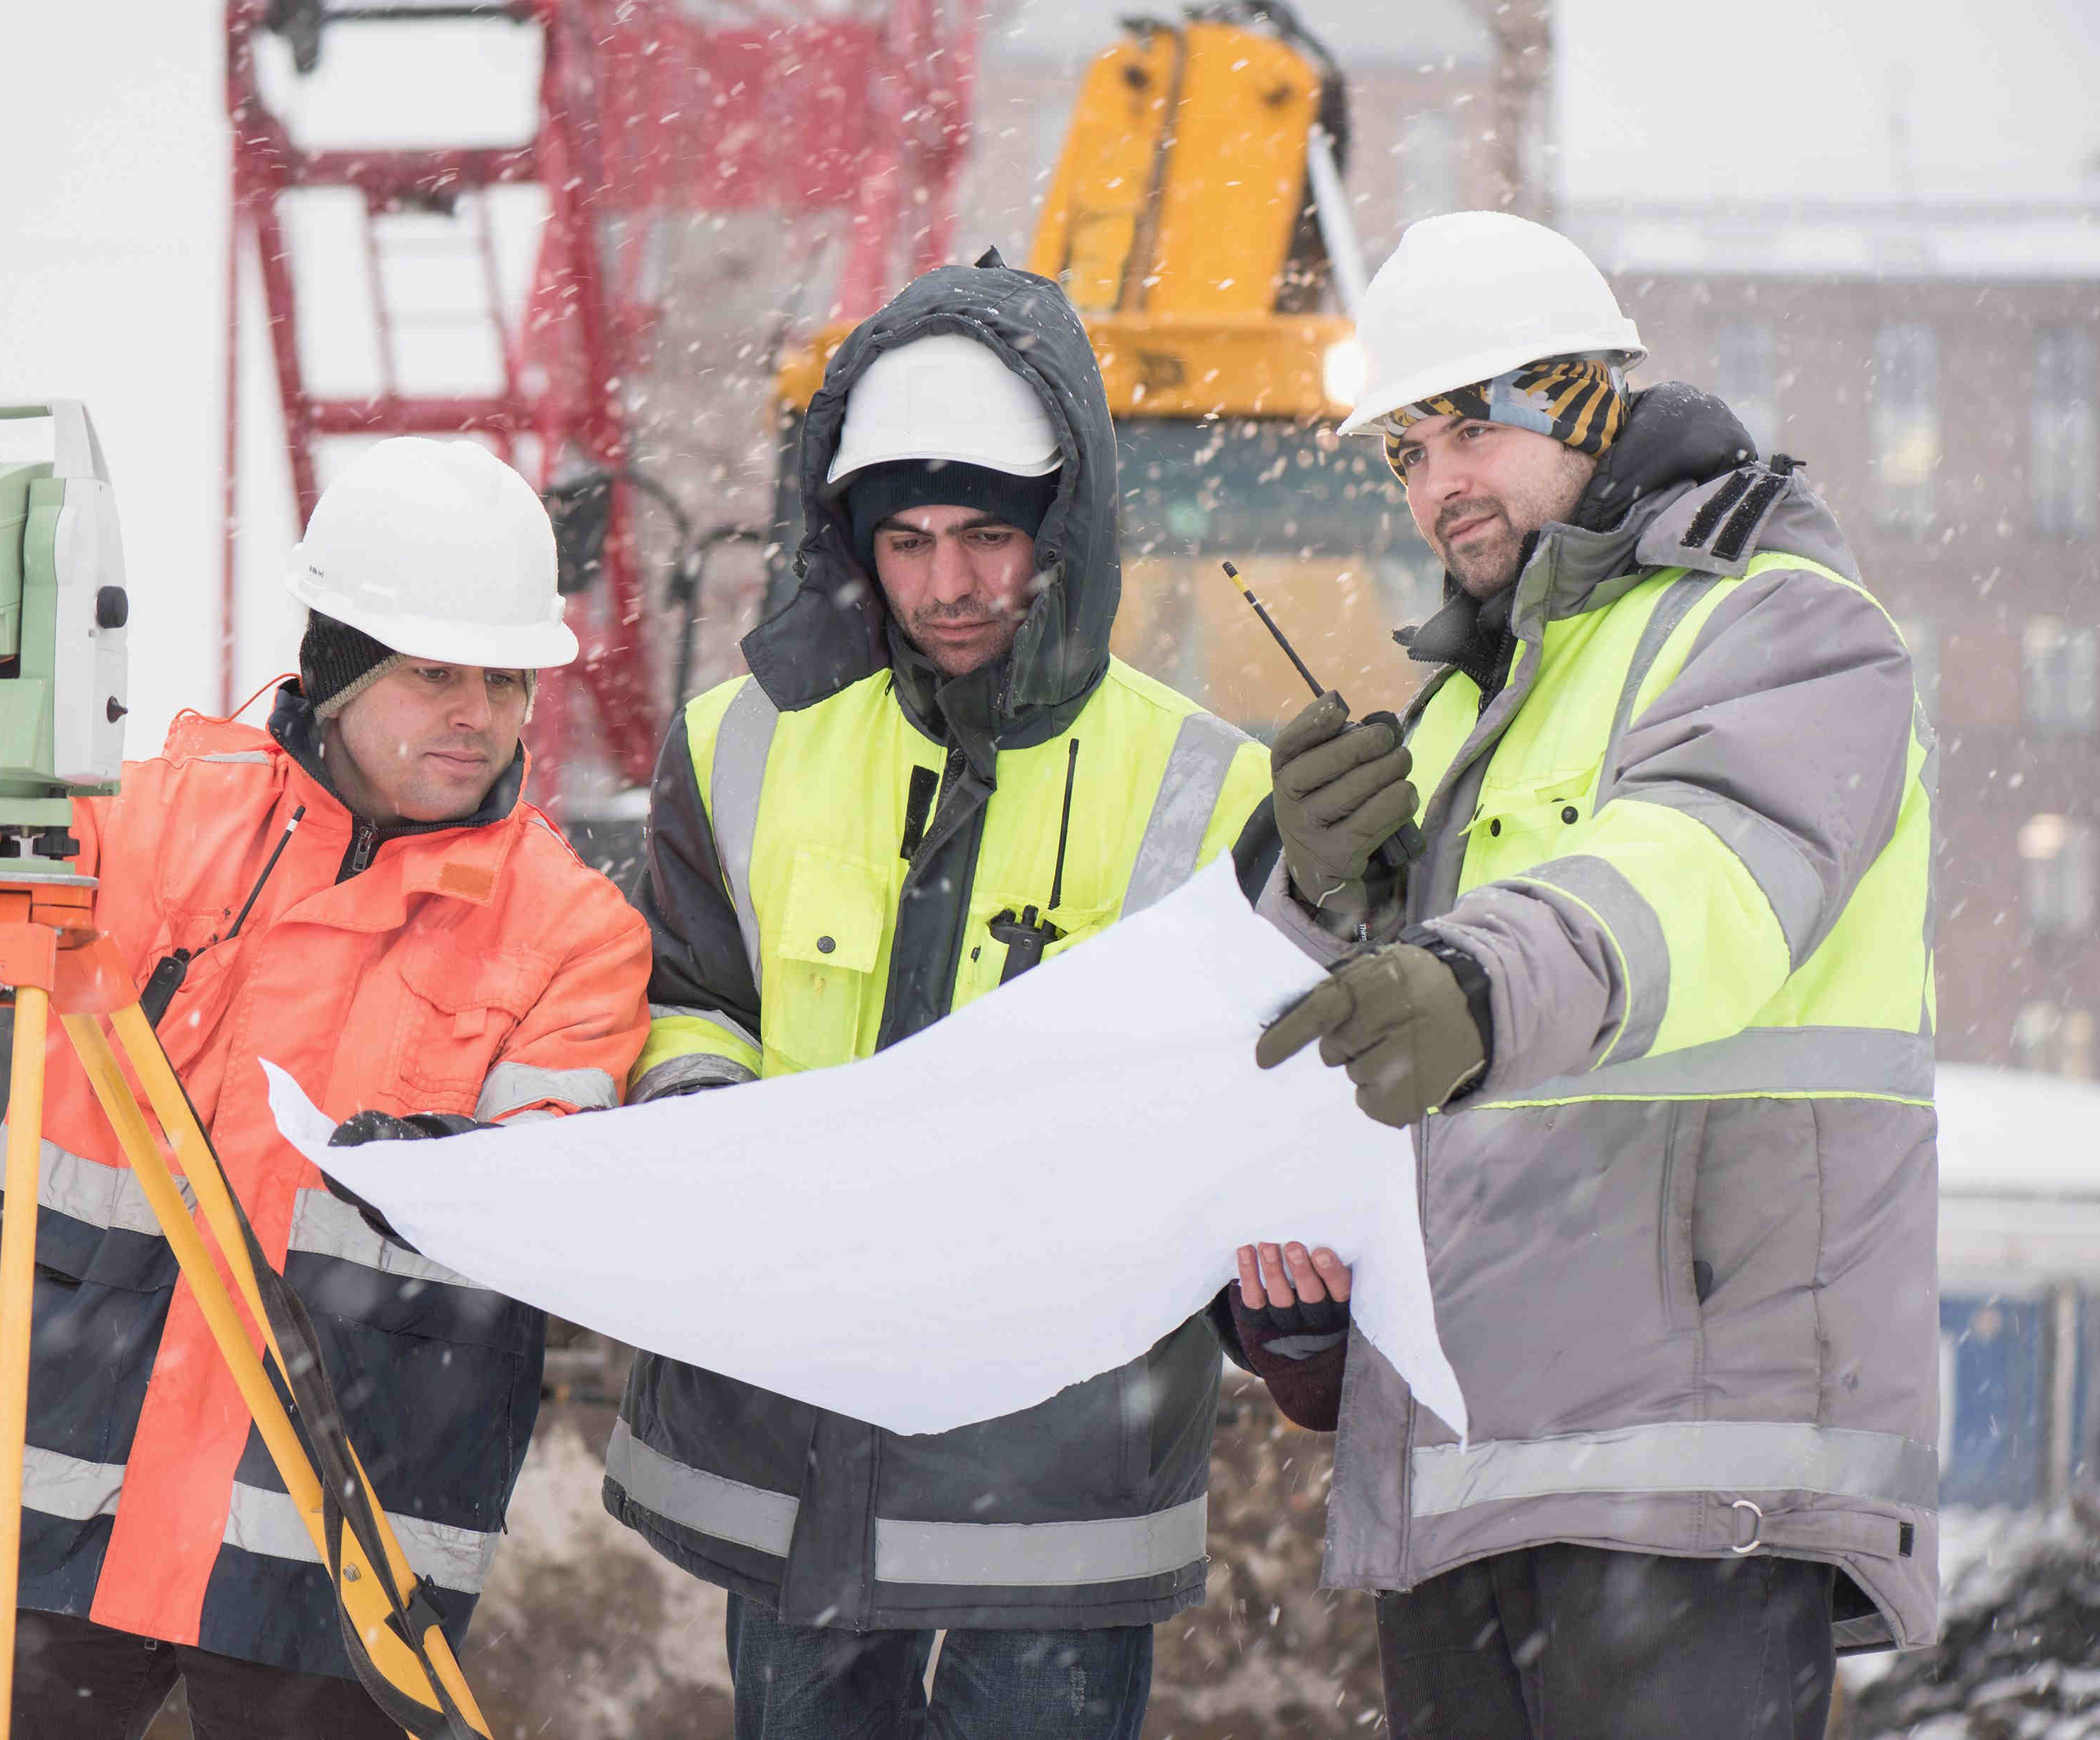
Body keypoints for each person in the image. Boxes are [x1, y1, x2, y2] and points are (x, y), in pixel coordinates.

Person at [604, 252, 1332, 1740]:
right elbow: (687, 995)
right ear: (852, 540)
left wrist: (1298, 1321)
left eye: (989, 536)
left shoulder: (1209, 786)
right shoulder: (737, 745)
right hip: (800, 1439)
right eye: (912, 540)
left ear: (1061, 528)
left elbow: (1264, 1113)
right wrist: (705, 1125)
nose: (949, 585)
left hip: (1059, 1481)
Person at [1251, 210, 1938, 1739]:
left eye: (1464, 433)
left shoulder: (1786, 630)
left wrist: (1472, 985)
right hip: (1468, 1474)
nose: (1435, 487)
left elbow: (1694, 877)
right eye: (1405, 455)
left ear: (1575, 396)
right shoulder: (1456, 707)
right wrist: (1296, 886)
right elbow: (1331, 1041)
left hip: (1691, 1466)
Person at [0, 437, 651, 1737]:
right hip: (46, 1486)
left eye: (505, 680)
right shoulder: (154, 815)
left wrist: (426, 1164)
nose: (479, 713)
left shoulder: (575, 932)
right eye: (434, 673)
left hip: (331, 1541)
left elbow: (543, 1196)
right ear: (335, 668)